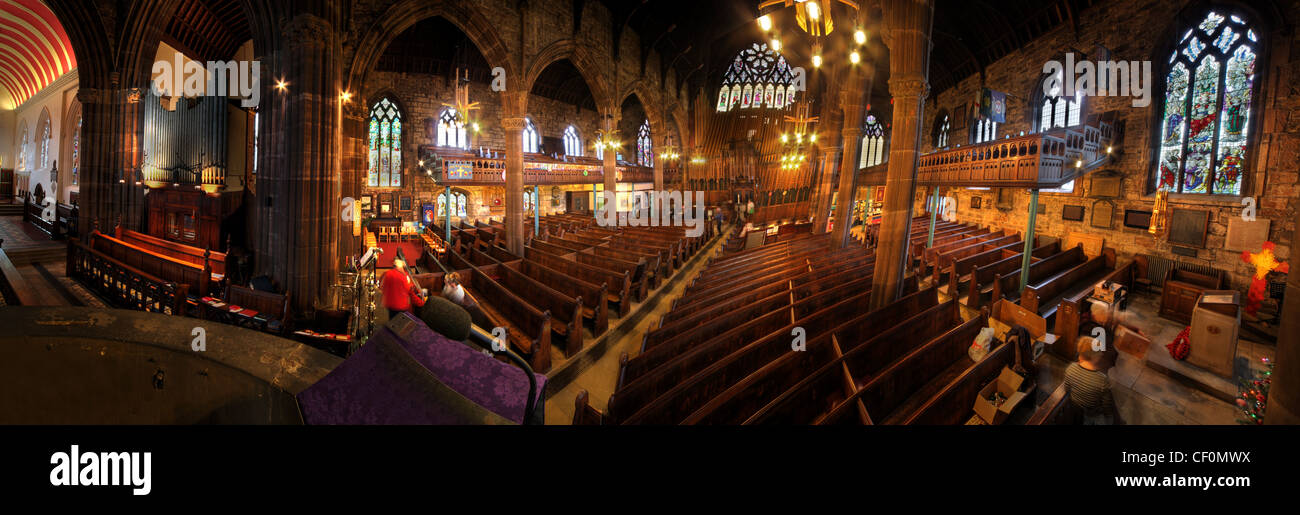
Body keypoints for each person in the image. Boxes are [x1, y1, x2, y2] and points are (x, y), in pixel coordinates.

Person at [1064, 334, 1119, 425]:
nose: (1101, 354)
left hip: (1073, 408)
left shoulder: (1071, 368)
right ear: (1095, 357)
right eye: (1099, 353)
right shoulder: (1102, 380)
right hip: (1090, 415)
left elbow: (1067, 389)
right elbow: (1106, 406)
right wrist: (1109, 417)